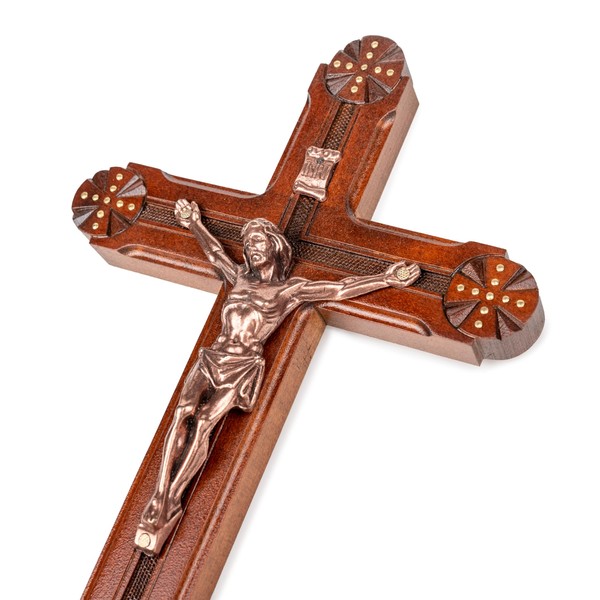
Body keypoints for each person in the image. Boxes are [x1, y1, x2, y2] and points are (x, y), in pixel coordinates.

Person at [135, 199, 420, 554]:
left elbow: (338, 289)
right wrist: (193, 222)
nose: (251, 248)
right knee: (182, 413)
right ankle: (160, 492)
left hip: (242, 364)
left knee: (205, 421)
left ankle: (173, 498)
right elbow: (214, 252)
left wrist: (385, 278)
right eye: (248, 243)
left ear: (274, 245)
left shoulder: (288, 291)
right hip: (212, 357)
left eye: (258, 241)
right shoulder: (238, 277)